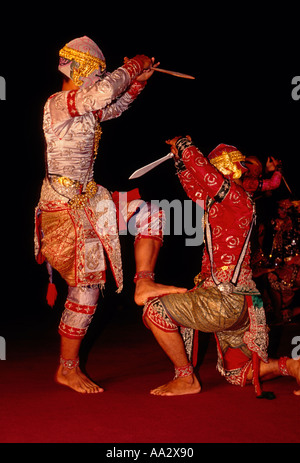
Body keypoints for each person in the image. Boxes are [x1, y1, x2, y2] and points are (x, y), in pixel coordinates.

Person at [34, 36, 185, 394]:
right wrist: (132, 65)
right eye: (96, 72)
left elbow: (112, 107)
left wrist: (139, 82)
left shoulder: (83, 108)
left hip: (88, 199)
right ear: (81, 69)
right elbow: (102, 96)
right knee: (85, 290)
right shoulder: (59, 103)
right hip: (63, 206)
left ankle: (144, 280)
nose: (99, 79)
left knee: (149, 213)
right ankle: (66, 368)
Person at [142, 135, 300, 397]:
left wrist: (185, 147)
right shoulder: (222, 203)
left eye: (215, 170)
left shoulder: (236, 198)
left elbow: (205, 176)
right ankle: (292, 366)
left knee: (155, 310)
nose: (210, 176)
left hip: (227, 300)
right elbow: (195, 187)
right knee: (238, 374)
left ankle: (185, 378)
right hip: (242, 303)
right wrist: (180, 162)